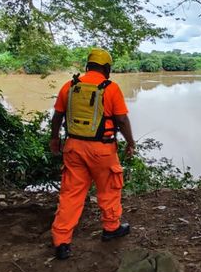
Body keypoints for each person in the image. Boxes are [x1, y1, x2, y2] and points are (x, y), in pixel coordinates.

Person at [49, 48, 136, 260]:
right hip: (102, 150)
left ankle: (61, 242)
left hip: (74, 148)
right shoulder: (111, 88)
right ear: (107, 68)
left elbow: (57, 117)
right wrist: (131, 142)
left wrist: (54, 139)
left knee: (71, 194)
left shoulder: (69, 87)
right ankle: (111, 228)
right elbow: (122, 120)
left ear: (88, 66)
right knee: (109, 190)